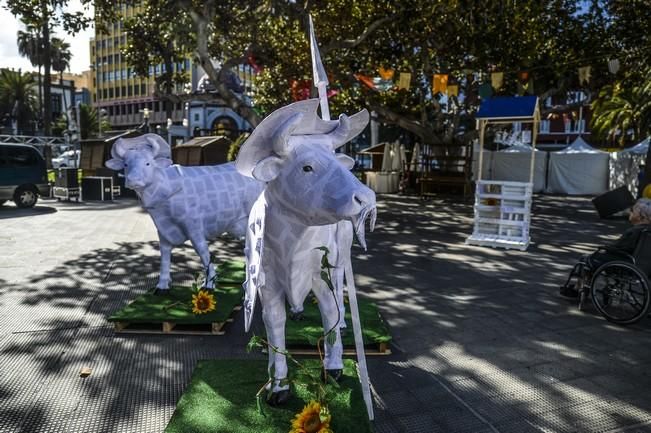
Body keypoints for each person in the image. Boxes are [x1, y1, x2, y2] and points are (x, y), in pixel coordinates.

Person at [560, 198, 651, 298]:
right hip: (637, 264)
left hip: (623, 262)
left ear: (641, 216)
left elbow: (618, 247)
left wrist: (606, 248)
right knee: (592, 258)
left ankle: (577, 288)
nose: (630, 212)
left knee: (586, 259)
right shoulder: (646, 230)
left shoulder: (635, 231)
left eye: (633, 210)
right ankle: (580, 287)